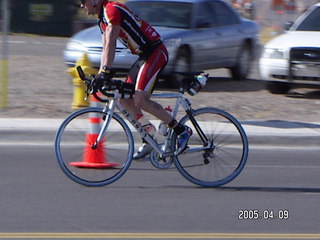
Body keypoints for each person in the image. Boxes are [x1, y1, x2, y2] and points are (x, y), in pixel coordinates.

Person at [80, 0, 192, 159]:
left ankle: (181, 130)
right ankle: (149, 136)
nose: (82, 6)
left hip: (155, 53)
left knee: (139, 99)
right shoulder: (102, 20)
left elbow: (111, 43)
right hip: (144, 56)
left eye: (83, 2)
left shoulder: (111, 10)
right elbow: (105, 47)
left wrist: (105, 71)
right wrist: (100, 74)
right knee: (124, 98)